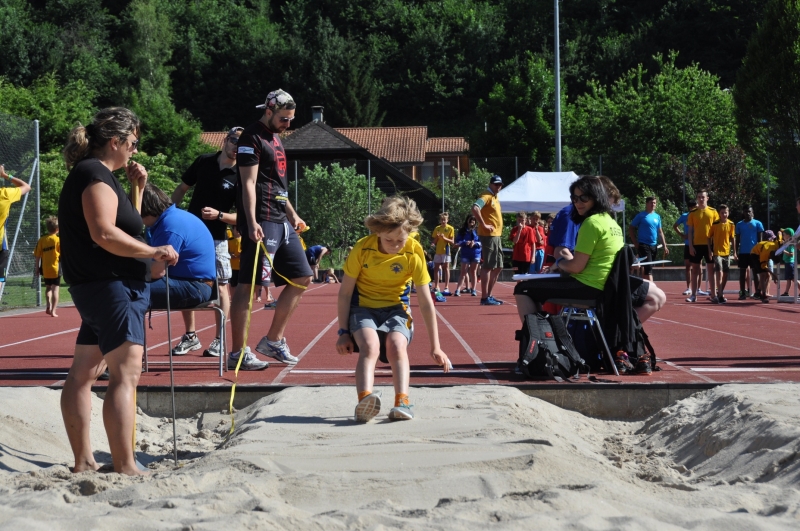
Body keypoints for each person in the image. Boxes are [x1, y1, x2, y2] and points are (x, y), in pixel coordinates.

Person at [58, 107, 178, 475]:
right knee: (125, 374)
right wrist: (153, 251)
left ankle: (84, 462)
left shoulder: (99, 175)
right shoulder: (93, 174)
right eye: (133, 143)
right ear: (116, 142)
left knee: (83, 374)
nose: (135, 150)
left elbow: (127, 228)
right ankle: (125, 465)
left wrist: (137, 189)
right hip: (111, 286)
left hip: (104, 286)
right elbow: (105, 234)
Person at [514, 175, 665, 374]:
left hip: (588, 287)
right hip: (607, 287)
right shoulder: (612, 223)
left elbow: (577, 267)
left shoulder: (591, 223)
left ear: (596, 197)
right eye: (575, 198)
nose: (578, 203)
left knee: (523, 289)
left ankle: (540, 347)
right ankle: (552, 343)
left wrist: (558, 263)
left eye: (584, 198)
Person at [336, 196, 450, 422]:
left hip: (397, 309)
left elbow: (426, 302)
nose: (395, 245)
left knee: (397, 345)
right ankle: (365, 401)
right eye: (389, 239)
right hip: (364, 308)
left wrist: (435, 346)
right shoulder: (362, 248)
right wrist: (343, 332)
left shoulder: (413, 251)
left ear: (409, 234)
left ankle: (402, 402)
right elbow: (345, 293)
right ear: (378, 231)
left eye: (401, 240)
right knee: (370, 346)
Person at [229, 89, 313, 370]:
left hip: (280, 219)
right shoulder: (251, 137)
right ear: (268, 112)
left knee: (302, 276)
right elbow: (249, 183)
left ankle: (273, 341)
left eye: (290, 119)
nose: (287, 124)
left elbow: (276, 184)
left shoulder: (276, 138)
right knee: (248, 286)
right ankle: (238, 353)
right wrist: (251, 221)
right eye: (283, 119)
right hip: (262, 219)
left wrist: (293, 214)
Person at [170, 127, 242, 357]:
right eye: (234, 141)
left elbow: (243, 216)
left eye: (242, 145)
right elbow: (182, 188)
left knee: (221, 285)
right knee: (184, 280)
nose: (236, 147)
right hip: (190, 234)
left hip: (217, 237)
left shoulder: (241, 174)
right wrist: (168, 214)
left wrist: (219, 215)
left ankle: (220, 339)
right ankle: (190, 336)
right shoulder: (203, 161)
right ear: (225, 140)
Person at [141, 184, 216, 341]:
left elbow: (156, 271)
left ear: (146, 209)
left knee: (124, 292)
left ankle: (126, 350)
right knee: (125, 289)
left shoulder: (169, 227)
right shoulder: (174, 217)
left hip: (195, 287)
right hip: (198, 283)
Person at [472, 175, 504, 305]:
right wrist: (484, 225)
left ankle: (489, 295)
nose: (498, 187)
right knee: (488, 266)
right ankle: (484, 297)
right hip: (489, 236)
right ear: (490, 184)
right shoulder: (486, 196)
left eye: (500, 185)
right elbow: (475, 208)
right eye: (496, 184)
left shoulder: (495, 197)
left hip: (496, 236)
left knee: (499, 266)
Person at [0, 164, 32, 295]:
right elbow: (26, 186)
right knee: (0, 279)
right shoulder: (4, 194)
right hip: (1, 246)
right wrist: (5, 175)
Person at [686, 190, 719, 303]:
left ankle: (714, 295)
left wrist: (715, 246)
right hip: (696, 245)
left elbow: (716, 230)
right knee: (695, 269)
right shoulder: (693, 213)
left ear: (707, 198)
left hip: (710, 245)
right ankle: (693, 295)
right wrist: (690, 246)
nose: (701, 199)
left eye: (703, 197)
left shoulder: (713, 212)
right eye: (699, 197)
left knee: (711, 270)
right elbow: (690, 231)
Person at [628, 196, 669, 282]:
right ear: (647, 204)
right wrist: (635, 242)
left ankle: (644, 286)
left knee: (647, 268)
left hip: (654, 245)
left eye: (654, 203)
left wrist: (665, 246)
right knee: (648, 269)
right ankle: (652, 287)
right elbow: (631, 228)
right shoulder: (641, 215)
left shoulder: (657, 217)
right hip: (643, 245)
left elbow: (660, 232)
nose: (653, 204)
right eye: (651, 203)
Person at [707, 205, 736, 304]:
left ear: (728, 213)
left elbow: (733, 238)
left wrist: (734, 252)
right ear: (719, 214)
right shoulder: (715, 224)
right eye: (722, 213)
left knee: (726, 273)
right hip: (717, 252)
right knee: (719, 272)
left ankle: (720, 292)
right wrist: (710, 250)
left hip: (727, 252)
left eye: (726, 212)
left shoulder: (731, 224)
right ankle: (719, 295)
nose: (724, 214)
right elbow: (708, 237)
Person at [33, 216, 61, 316]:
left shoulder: (42, 240)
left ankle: (48, 305)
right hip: (56, 268)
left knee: (48, 287)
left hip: (45, 268)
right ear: (57, 229)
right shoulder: (58, 240)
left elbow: (37, 255)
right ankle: (53, 310)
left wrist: (37, 268)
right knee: (55, 289)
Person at [734, 205, 764, 300]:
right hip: (743, 252)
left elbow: (760, 240)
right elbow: (737, 240)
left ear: (752, 212)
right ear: (743, 213)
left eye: (749, 211)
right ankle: (742, 292)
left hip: (754, 253)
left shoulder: (758, 223)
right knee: (742, 273)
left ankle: (757, 292)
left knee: (756, 273)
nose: (748, 213)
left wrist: (760, 252)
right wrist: (736, 252)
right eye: (746, 211)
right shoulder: (739, 224)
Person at [673, 199, 698, 296]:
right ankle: (688, 288)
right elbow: (675, 226)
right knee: (688, 266)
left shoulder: (699, 216)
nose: (696, 209)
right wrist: (682, 235)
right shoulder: (684, 216)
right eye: (694, 207)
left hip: (697, 244)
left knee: (697, 266)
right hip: (688, 244)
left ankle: (698, 288)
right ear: (690, 208)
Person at [453, 214, 480, 296]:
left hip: (475, 253)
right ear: (467, 220)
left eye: (473, 220)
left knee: (473, 271)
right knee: (463, 272)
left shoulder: (478, 230)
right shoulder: (462, 230)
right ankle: (458, 289)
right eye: (470, 220)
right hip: (465, 253)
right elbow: (457, 242)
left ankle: (473, 289)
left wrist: (475, 243)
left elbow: (482, 242)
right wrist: (465, 242)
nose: (472, 221)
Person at [750, 230, 780, 303]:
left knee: (767, 275)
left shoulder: (775, 245)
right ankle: (763, 295)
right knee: (763, 274)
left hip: (762, 249)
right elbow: (764, 267)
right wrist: (774, 275)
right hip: (755, 254)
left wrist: (780, 233)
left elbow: (779, 235)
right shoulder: (765, 255)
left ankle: (757, 292)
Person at [431, 212, 454, 295]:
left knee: (446, 268)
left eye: (444, 220)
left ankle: (446, 287)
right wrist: (434, 241)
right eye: (442, 220)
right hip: (438, 251)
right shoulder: (437, 228)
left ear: (447, 220)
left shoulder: (450, 228)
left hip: (446, 251)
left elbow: (452, 241)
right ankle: (436, 286)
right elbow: (434, 241)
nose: (443, 221)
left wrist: (444, 238)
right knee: (436, 268)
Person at [510, 211, 535, 276]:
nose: (521, 222)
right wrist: (519, 229)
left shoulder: (529, 229)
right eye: (519, 220)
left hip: (526, 257)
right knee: (516, 275)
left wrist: (533, 257)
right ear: (516, 220)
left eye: (522, 220)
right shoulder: (514, 229)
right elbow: (515, 241)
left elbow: (533, 243)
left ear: (525, 220)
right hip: (516, 257)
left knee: (525, 275)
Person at [779, 228, 797, 297]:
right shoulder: (787, 243)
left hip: (790, 263)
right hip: (787, 262)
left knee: (793, 278)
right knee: (788, 279)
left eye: (784, 235)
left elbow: (792, 254)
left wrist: (784, 251)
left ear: (788, 236)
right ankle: (786, 292)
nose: (783, 236)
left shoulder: (790, 244)